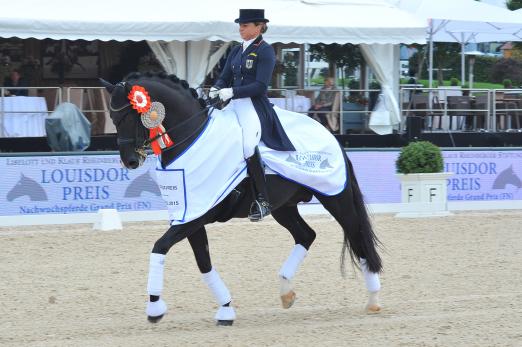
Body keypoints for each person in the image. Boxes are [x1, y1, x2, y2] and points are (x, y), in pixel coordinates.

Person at [209, 9, 295, 222]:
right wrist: (216, 87)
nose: (241, 28)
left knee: (248, 145)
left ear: (259, 27)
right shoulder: (237, 50)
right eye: (240, 25)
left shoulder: (265, 51)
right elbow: (225, 76)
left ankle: (263, 200)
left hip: (253, 105)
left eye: (245, 25)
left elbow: (260, 86)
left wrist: (232, 92)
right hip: (233, 104)